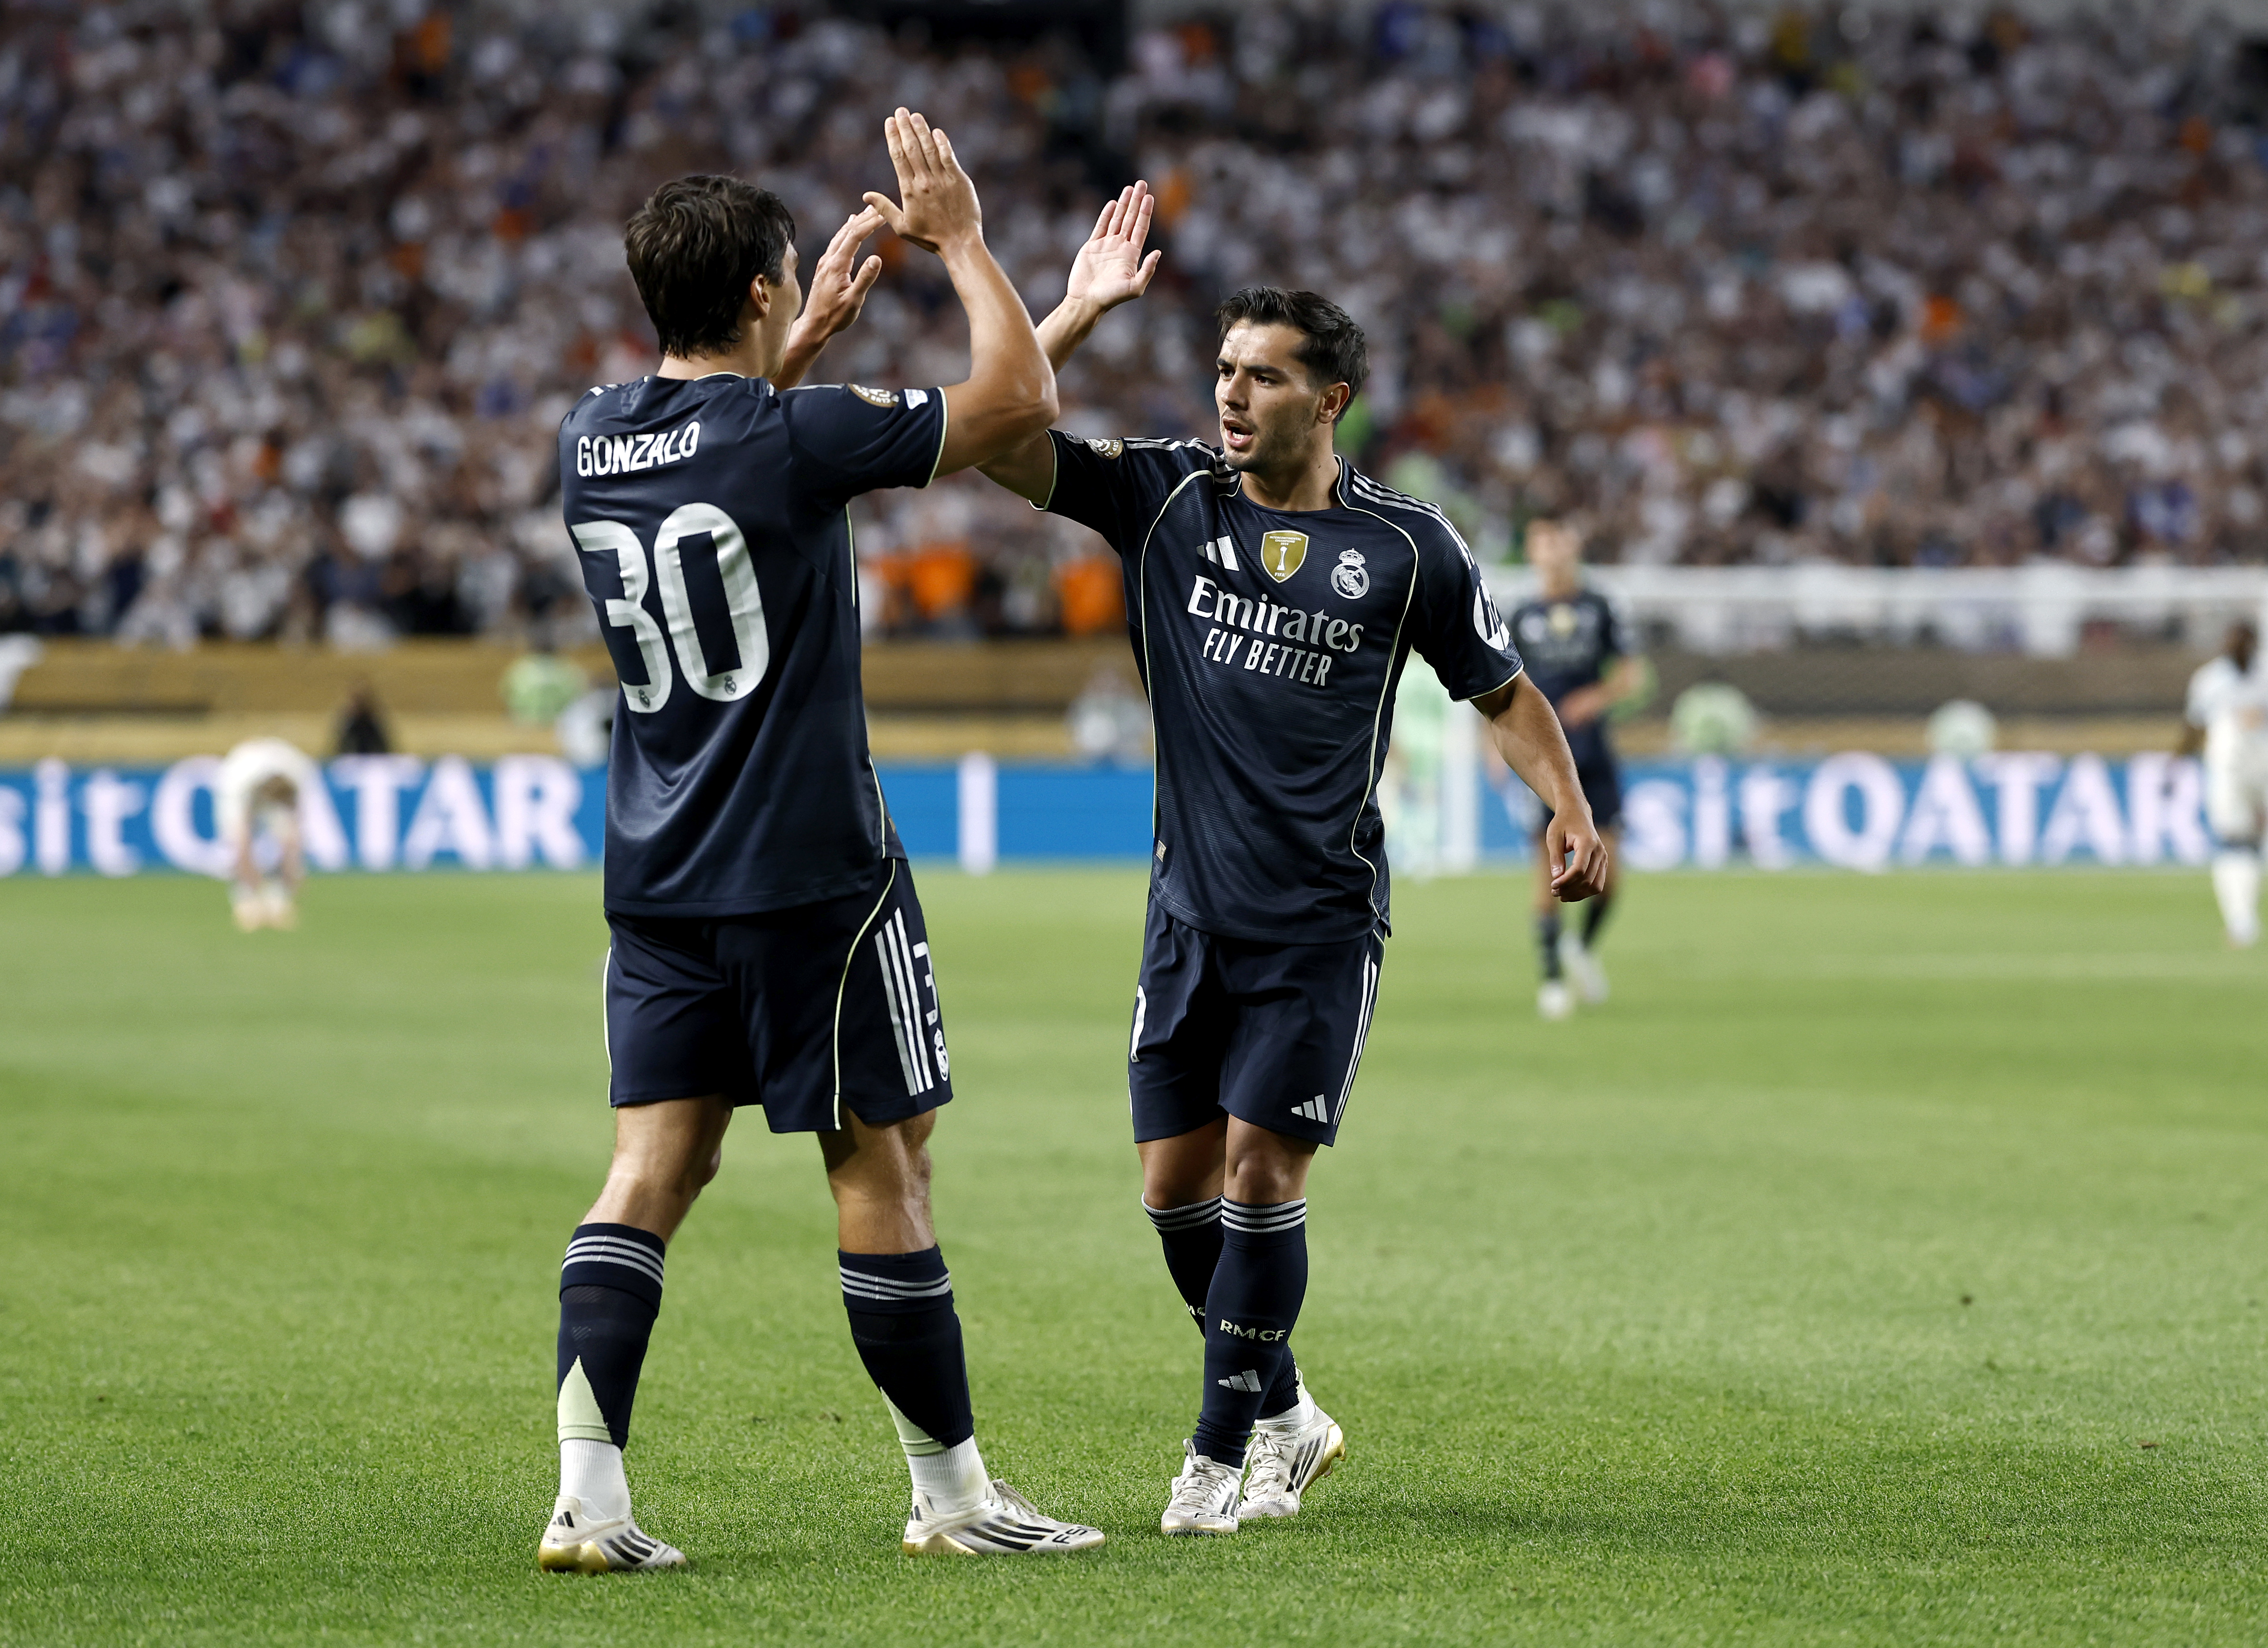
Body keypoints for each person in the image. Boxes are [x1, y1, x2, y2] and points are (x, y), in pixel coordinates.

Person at [975, 184, 1608, 1536]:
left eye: (1262, 377)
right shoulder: (1160, 500)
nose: (1231, 395)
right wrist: (1078, 308)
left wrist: (1565, 805)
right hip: (1184, 916)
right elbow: (997, 439)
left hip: (1319, 920)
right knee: (1171, 1195)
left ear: (1329, 404)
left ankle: (1216, 1457)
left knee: (1263, 1174)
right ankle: (1288, 1410)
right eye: (1222, 371)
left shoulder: (1403, 549)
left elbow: (1501, 692)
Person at [537, 113, 1103, 1574]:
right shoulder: (797, 434)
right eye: (792, 276)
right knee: (884, 1163)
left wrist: (803, 337)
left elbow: (711, 457)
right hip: (808, 872)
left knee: (648, 1170)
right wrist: (960, 238)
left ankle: (585, 1502)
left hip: (659, 873)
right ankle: (953, 1494)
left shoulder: (589, 437)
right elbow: (1016, 401)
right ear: (760, 296)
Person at [1505, 519, 1643, 1019]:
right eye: (1542, 540)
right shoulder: (1519, 613)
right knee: (1547, 871)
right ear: (1532, 550)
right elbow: (1496, 686)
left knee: (1611, 874)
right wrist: (1493, 751)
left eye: (1560, 539)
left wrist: (1596, 697)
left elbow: (1632, 675)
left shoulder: (1602, 605)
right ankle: (1552, 980)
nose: (1552, 550)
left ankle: (1581, 947)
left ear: (1574, 546)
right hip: (1542, 759)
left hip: (1594, 754)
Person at [2177, 617, 2267, 948]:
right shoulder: (2210, 679)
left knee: (2243, 843)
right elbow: (2193, 725)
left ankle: (2242, 921)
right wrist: (2176, 765)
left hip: (2258, 767)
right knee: (2237, 842)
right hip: (2229, 770)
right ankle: (2242, 921)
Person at [215, 736, 323, 931]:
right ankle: (245, 899)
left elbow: (293, 838)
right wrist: (252, 884)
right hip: (241, 781)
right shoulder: (238, 782)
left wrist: (292, 877)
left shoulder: (299, 770)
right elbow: (241, 844)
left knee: (287, 837)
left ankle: (278, 899)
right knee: (237, 847)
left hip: (273, 778)